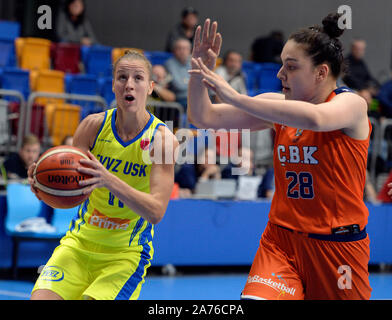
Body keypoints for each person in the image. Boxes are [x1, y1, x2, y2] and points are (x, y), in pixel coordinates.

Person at [188, 16, 372, 299]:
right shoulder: (278, 107)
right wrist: (198, 71)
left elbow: (317, 119)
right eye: (281, 64)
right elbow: (203, 116)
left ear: (321, 73)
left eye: (291, 66)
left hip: (337, 247)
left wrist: (234, 96)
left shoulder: (351, 105)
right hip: (281, 241)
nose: (279, 74)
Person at [28, 50, 178, 300]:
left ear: (151, 87)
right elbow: (70, 185)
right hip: (79, 244)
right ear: (113, 85)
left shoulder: (162, 140)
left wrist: (107, 179)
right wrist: (43, 187)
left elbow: (156, 212)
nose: (129, 84)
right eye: (122, 77)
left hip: (124, 255)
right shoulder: (92, 126)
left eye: (138, 78)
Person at [165, 38, 192, 109]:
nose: (182, 51)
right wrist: (193, 85)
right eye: (179, 48)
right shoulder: (170, 64)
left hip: (194, 98)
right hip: (180, 100)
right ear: (174, 50)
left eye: (185, 48)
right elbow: (179, 86)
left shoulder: (193, 63)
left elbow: (201, 85)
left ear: (190, 51)